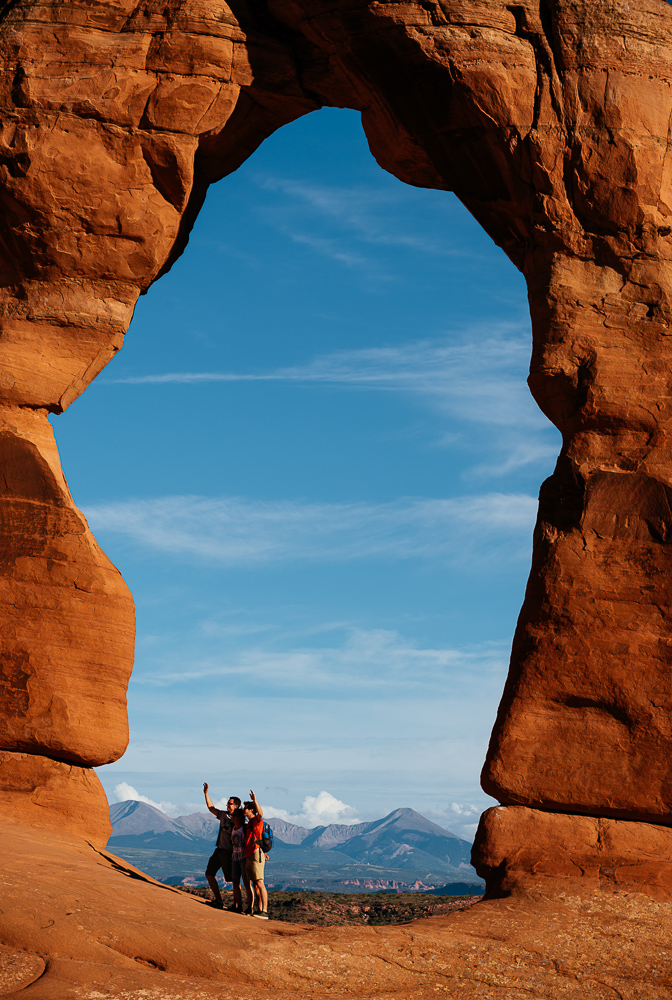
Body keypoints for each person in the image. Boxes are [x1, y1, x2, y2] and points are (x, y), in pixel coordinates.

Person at [203, 782, 240, 909]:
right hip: (219, 850)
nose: (227, 805)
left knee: (233, 880)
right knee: (209, 874)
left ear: (236, 806)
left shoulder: (241, 820)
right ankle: (218, 900)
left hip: (230, 853)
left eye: (229, 804)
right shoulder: (224, 815)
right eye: (227, 803)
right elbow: (211, 808)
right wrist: (206, 793)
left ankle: (237, 904)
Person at [243, 789, 269, 919]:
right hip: (249, 854)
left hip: (255, 853)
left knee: (260, 882)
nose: (244, 810)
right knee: (255, 884)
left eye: (246, 808)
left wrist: (255, 800)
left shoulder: (257, 821)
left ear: (251, 810)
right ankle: (259, 910)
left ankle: (264, 911)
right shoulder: (248, 824)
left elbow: (261, 813)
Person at [230, 806, 253, 914]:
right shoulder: (233, 827)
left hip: (244, 858)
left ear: (239, 817)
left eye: (234, 815)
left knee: (246, 883)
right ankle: (238, 906)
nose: (232, 817)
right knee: (235, 882)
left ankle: (250, 907)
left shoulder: (244, 828)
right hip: (235, 857)